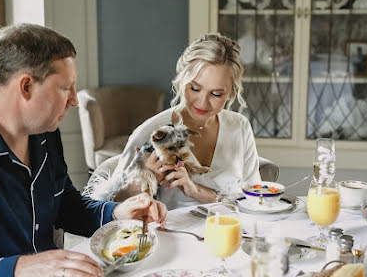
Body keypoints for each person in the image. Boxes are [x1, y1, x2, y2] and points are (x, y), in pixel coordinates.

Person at [0, 23, 167, 277]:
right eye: (66, 88)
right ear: (26, 86)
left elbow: (66, 206)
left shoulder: (45, 133)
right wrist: (20, 267)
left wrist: (116, 212)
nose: (74, 100)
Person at [91, 33, 261, 210]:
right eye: (195, 88)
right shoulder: (151, 131)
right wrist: (142, 181)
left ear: (231, 92)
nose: (202, 102)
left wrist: (195, 190)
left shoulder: (239, 127)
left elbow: (255, 200)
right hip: (170, 235)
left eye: (216, 94)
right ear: (182, 79)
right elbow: (108, 206)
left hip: (231, 234)